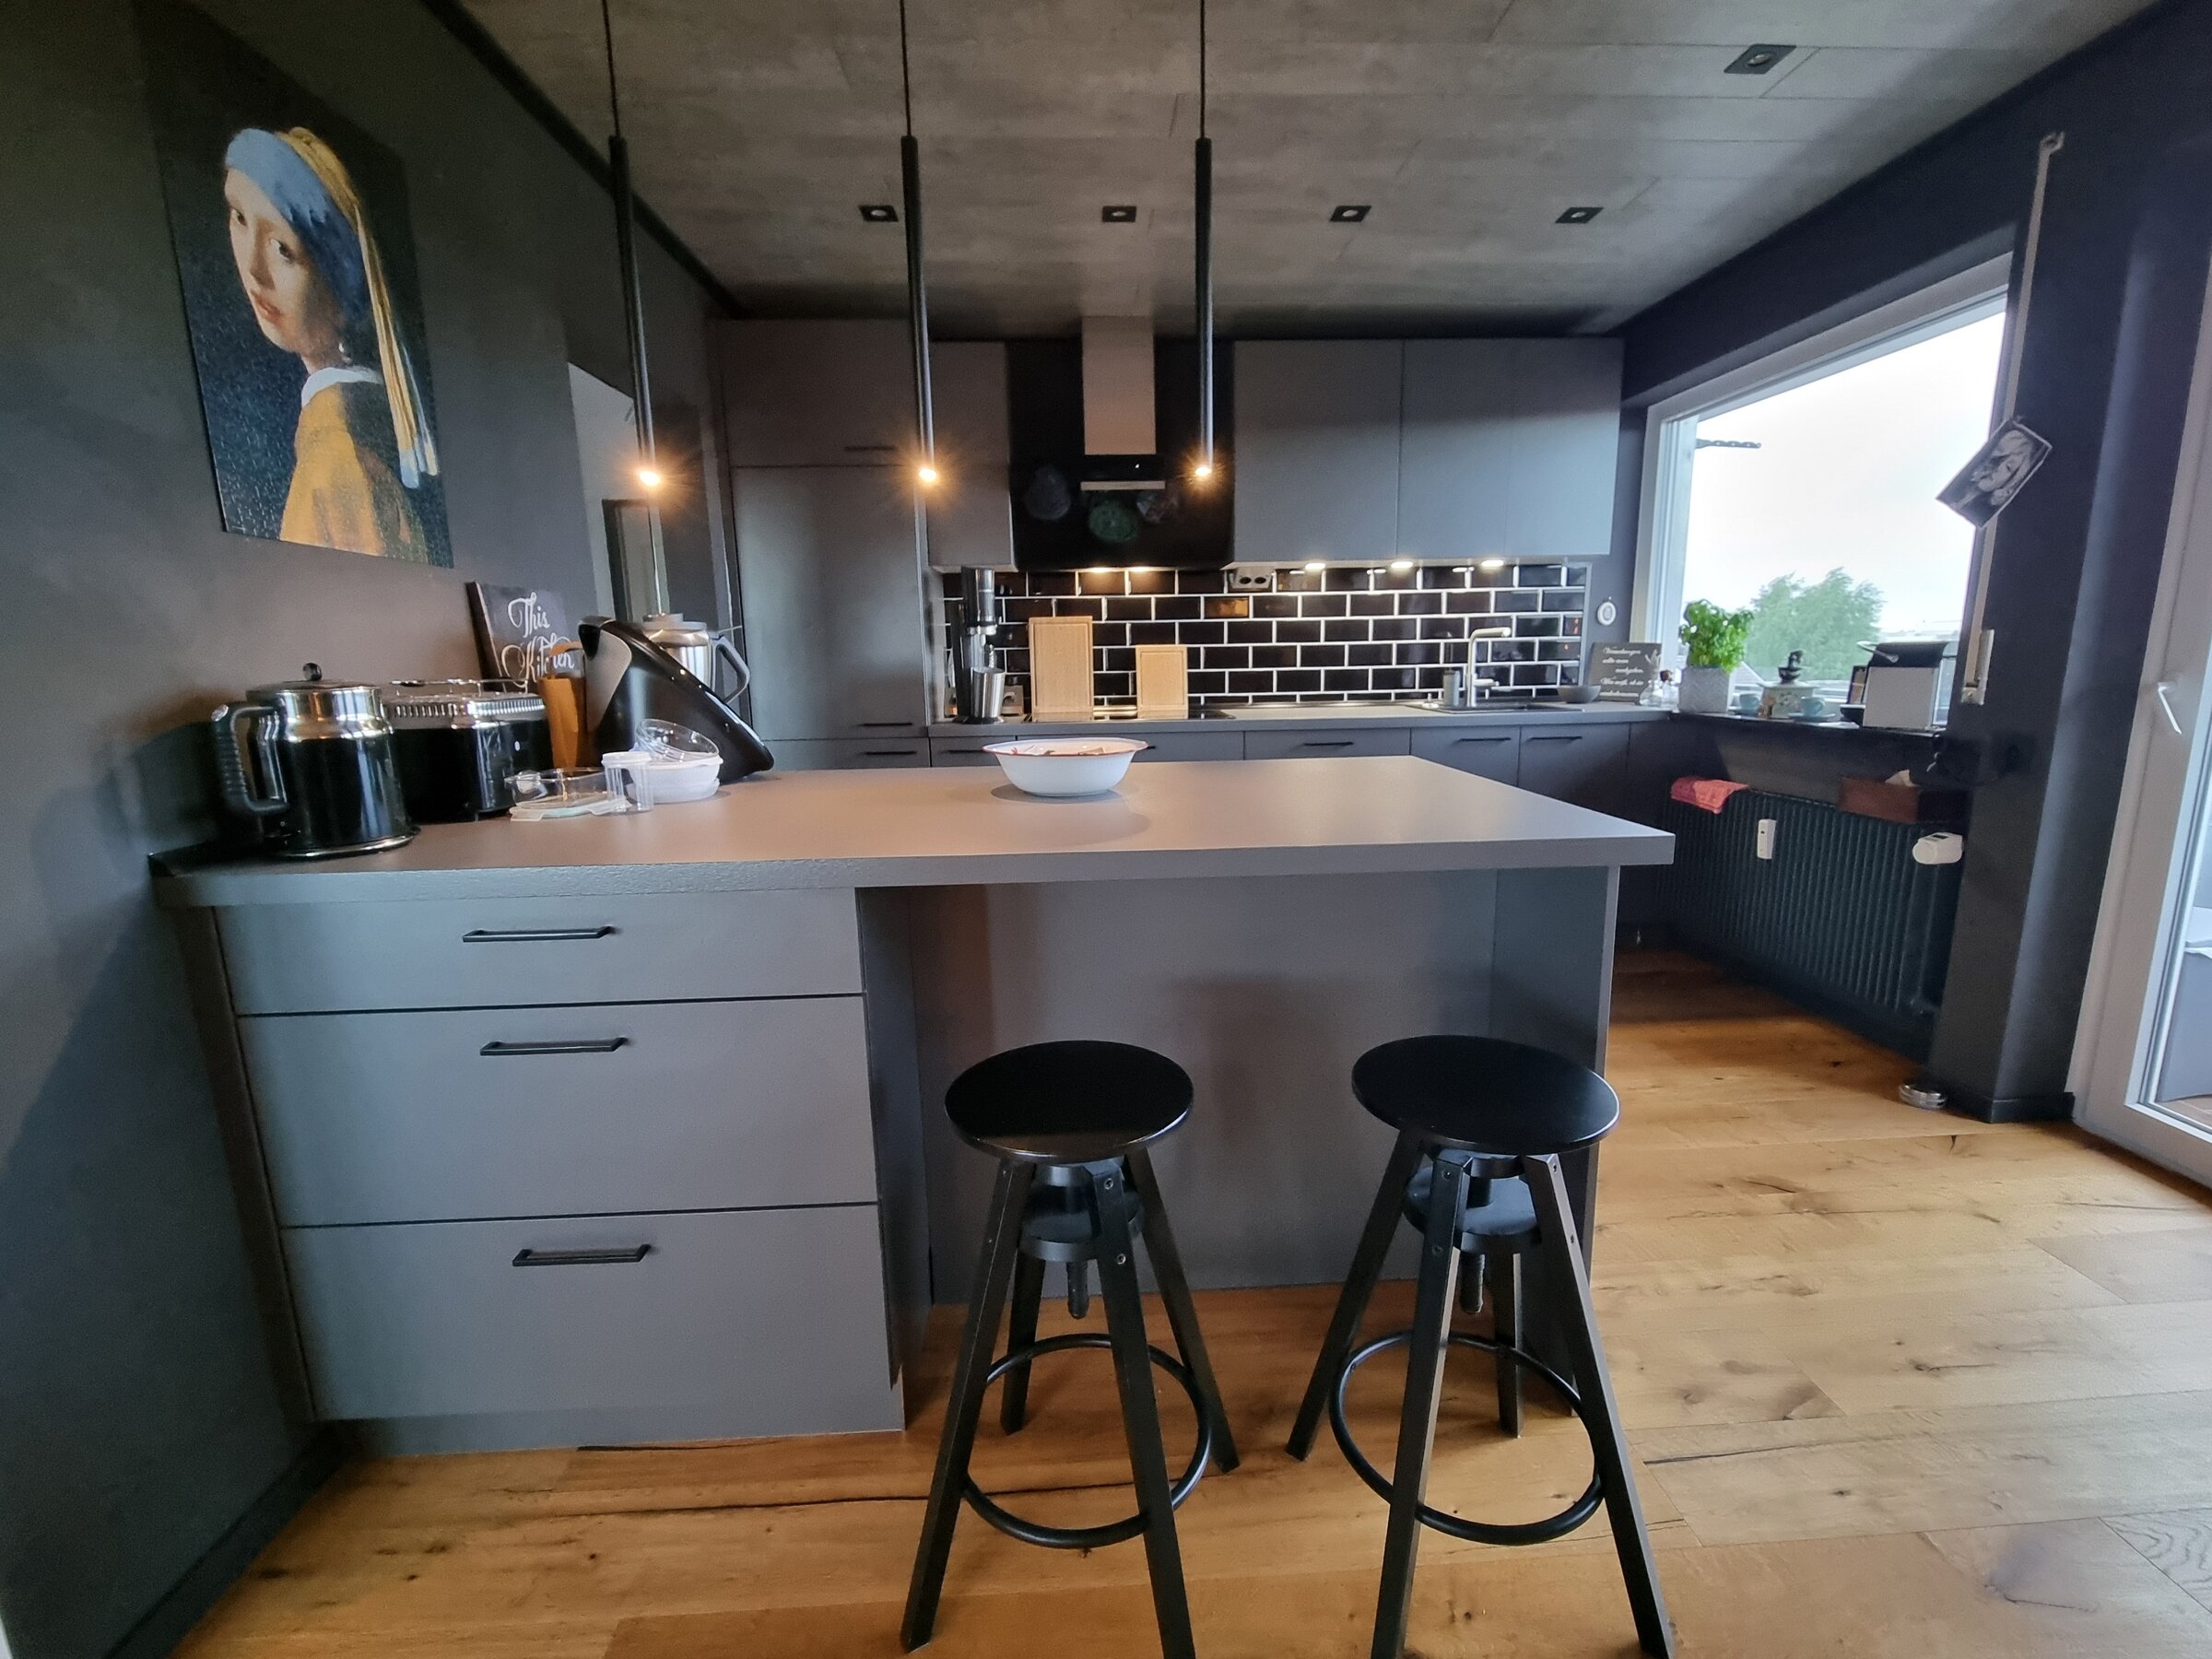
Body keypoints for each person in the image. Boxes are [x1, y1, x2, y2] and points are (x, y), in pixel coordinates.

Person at [221, 126, 439, 559]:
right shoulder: (350, 429)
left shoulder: (332, 458)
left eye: (283, 249)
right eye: (240, 217)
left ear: (341, 291)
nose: (253, 268)